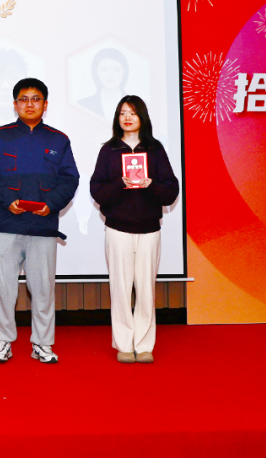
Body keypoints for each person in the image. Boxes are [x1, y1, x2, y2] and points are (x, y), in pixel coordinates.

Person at [0, 78, 79, 364]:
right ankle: (2, 341)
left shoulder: (59, 140)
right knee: (2, 287)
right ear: (15, 104)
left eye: (36, 99)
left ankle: (42, 344)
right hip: (6, 223)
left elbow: (70, 179)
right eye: (24, 99)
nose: (30, 104)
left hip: (43, 227)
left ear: (45, 104)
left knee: (44, 289)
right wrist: (8, 199)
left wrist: (51, 204)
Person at [89, 95, 179, 364]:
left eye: (133, 113)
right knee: (120, 288)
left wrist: (150, 184)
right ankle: (124, 344)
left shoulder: (155, 149)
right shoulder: (109, 150)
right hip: (117, 229)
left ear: (142, 117)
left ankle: (144, 344)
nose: (127, 118)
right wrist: (120, 183)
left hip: (149, 230)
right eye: (122, 113)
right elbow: (97, 191)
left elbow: (171, 191)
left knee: (146, 289)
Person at [76, 47, 129, 119]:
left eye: (116, 70)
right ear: (96, 72)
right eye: (104, 70)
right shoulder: (83, 105)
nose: (110, 75)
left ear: (124, 71)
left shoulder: (137, 105)